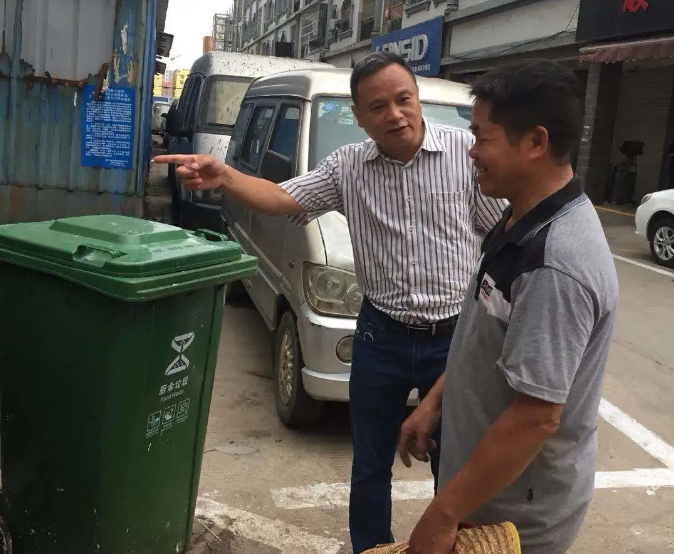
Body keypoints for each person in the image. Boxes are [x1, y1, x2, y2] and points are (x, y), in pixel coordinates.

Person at [154, 51, 506, 554]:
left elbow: (499, 237)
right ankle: (371, 548)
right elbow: (285, 199)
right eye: (378, 106)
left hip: (452, 340)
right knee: (368, 465)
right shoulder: (348, 167)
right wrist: (225, 176)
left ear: (417, 98)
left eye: (403, 99)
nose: (395, 114)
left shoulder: (464, 157)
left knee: (454, 463)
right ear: (359, 117)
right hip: (380, 334)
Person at [398, 59, 619, 554]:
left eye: (481, 137)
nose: (471, 151)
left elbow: (536, 417)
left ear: (536, 143)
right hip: (483, 491)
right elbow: (483, 337)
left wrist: (441, 515)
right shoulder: (518, 219)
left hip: (517, 519)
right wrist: (434, 402)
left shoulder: (555, 264)